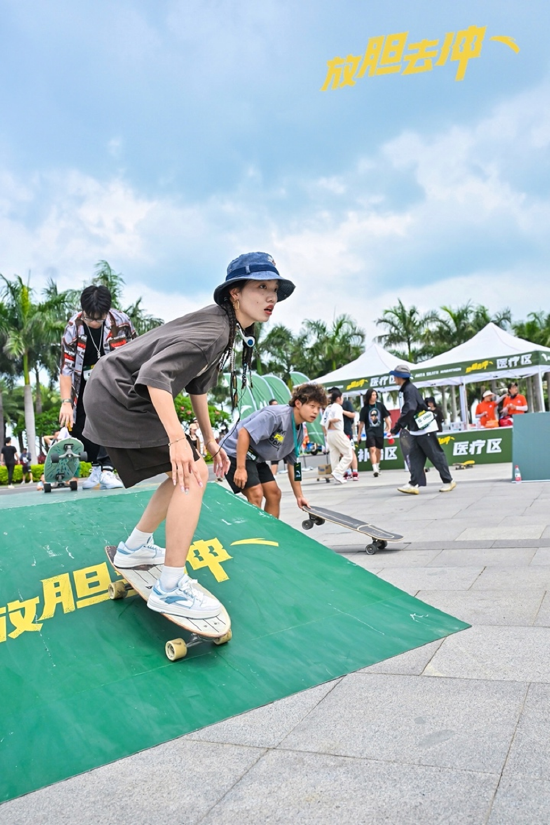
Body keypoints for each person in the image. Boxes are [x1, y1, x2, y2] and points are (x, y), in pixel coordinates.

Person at [83, 251, 295, 620]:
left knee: (185, 471)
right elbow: (154, 377)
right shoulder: (215, 330)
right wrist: (179, 440)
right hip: (120, 395)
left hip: (114, 389)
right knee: (193, 475)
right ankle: (170, 588)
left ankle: (135, 548)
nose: (271, 298)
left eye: (274, 289)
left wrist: (210, 442)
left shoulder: (226, 328)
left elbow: (198, 387)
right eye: (261, 288)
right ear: (234, 293)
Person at [59, 285, 136, 490]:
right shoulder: (73, 326)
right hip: (82, 382)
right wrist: (66, 402)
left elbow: (137, 351)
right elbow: (66, 365)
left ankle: (109, 470)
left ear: (107, 312)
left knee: (109, 415)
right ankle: (97, 467)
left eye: (98, 319)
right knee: (79, 424)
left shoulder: (121, 322)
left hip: (115, 379)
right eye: (89, 318)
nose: (93, 323)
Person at [221, 383, 326, 516]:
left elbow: (295, 465)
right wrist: (240, 468)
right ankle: (256, 535)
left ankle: (270, 534)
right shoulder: (276, 415)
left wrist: (299, 496)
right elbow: (244, 433)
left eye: (318, 408)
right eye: (312, 406)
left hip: (255, 457)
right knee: (256, 493)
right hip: (234, 451)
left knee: (274, 494)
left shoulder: (298, 433)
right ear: (298, 403)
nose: (316, 412)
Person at [389, 364, 456, 495]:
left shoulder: (409, 390)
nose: (394, 378)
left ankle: (449, 481)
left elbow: (410, 409)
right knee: (415, 457)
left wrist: (397, 427)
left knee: (436, 455)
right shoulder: (407, 389)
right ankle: (413, 484)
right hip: (416, 429)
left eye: (395, 376)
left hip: (425, 429)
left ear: (400, 377)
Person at [358, 389, 392, 477]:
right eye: (373, 395)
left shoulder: (380, 406)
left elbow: (386, 417)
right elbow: (361, 423)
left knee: (378, 450)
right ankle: (375, 469)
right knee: (372, 449)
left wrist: (389, 426)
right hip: (370, 432)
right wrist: (359, 435)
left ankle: (377, 465)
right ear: (369, 396)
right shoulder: (364, 409)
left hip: (379, 431)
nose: (374, 396)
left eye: (375, 395)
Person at [324, 388, 354, 484]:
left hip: (329, 433)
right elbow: (336, 418)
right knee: (349, 454)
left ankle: (337, 478)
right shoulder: (337, 407)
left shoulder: (328, 408)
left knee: (334, 455)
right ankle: (338, 472)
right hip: (337, 432)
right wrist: (331, 421)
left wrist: (327, 427)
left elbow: (323, 422)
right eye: (341, 397)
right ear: (338, 398)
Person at [341, 396, 359, 480]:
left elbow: (352, 415)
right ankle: (347, 472)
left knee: (351, 452)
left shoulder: (346, 403)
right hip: (338, 433)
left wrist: (342, 411)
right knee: (343, 453)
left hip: (347, 431)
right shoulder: (332, 406)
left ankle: (355, 472)